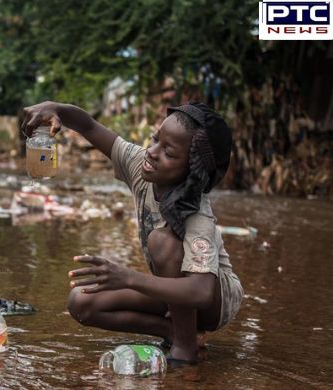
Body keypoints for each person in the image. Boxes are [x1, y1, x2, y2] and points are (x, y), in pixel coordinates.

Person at [20, 101, 243, 365]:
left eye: (169, 153)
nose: (152, 152)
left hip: (215, 302)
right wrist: (55, 108)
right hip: (177, 291)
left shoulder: (198, 214)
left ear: (192, 173)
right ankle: (173, 332)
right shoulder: (141, 165)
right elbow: (88, 126)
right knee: (82, 301)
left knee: (163, 241)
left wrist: (127, 278)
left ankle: (185, 349)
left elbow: (202, 291)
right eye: (155, 139)